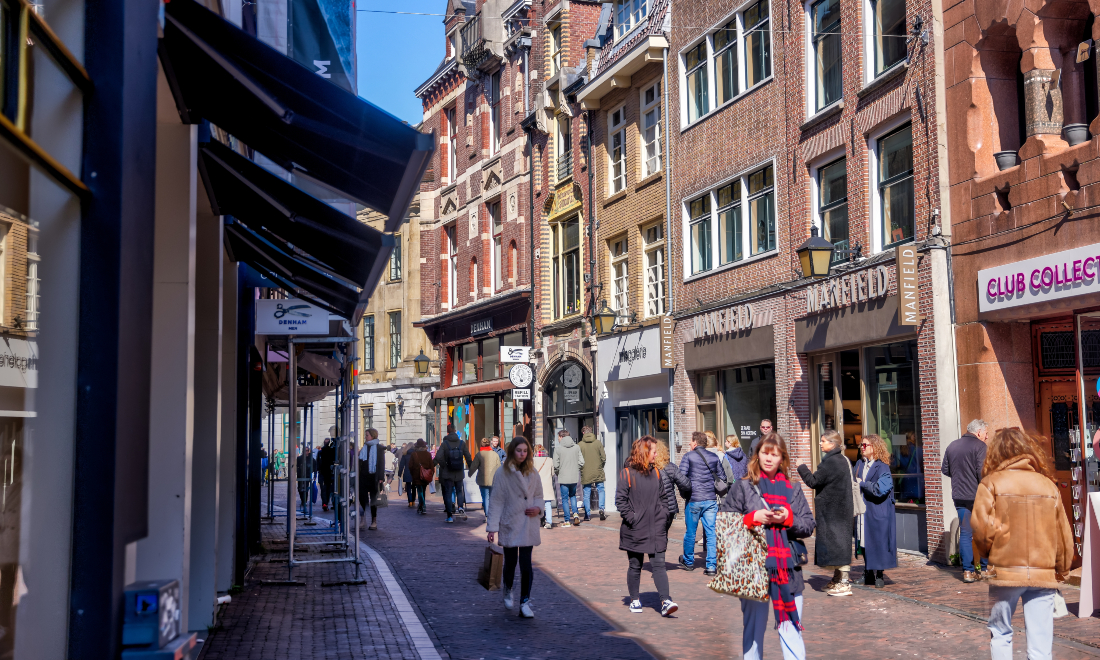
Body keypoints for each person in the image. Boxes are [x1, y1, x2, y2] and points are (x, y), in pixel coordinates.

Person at [972, 428, 1073, 660]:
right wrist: (1062, 570)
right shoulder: (1048, 486)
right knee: (1040, 644)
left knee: (1000, 632)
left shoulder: (990, 484)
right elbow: (1063, 535)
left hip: (1005, 572)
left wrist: (989, 554)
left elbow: (980, 529)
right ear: (1027, 450)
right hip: (1042, 574)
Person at [721, 432, 813, 660]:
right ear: (757, 455)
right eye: (765, 453)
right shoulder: (743, 487)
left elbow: (809, 525)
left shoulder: (793, 488)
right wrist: (752, 518)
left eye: (775, 454)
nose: (769, 459)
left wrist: (788, 520)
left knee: (790, 629)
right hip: (754, 569)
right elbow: (723, 524)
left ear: (782, 458)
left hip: (787, 570)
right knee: (753, 632)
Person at [616, 436, 678, 617]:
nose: (656, 454)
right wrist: (632, 518)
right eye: (654, 451)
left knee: (659, 564)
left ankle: (665, 601)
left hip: (656, 527)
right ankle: (635, 599)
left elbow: (664, 497)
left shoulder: (656, 473)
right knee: (635, 564)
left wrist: (663, 514)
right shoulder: (627, 473)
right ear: (644, 452)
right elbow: (621, 500)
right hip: (635, 529)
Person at [486, 436, 543, 619]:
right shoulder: (502, 473)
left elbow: (540, 495)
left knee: (526, 564)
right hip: (510, 522)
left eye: (525, 451)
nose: (522, 454)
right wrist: (492, 528)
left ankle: (525, 601)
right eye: (519, 451)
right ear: (512, 452)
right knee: (510, 562)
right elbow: (496, 501)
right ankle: (508, 588)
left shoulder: (533, 472)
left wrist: (538, 508)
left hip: (528, 523)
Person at [797, 429, 855, 596]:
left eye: (823, 441)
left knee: (838, 544)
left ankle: (843, 583)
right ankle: (837, 580)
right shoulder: (842, 459)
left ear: (832, 443)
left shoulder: (831, 462)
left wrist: (801, 466)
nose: (821, 443)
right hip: (840, 509)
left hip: (833, 511)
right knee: (838, 542)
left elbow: (812, 481)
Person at [942, 419, 992, 582]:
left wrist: (960, 477)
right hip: (978, 496)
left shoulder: (952, 445)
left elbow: (945, 469)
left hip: (959, 496)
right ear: (978, 432)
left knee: (965, 533)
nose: (987, 436)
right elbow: (982, 472)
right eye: (985, 433)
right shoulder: (980, 447)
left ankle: (968, 572)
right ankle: (984, 569)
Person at [854, 434, 897, 588]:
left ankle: (879, 574)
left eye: (865, 445)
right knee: (864, 541)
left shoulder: (882, 466)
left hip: (878, 509)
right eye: (861, 445)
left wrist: (862, 484)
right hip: (863, 511)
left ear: (875, 447)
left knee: (878, 541)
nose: (862, 448)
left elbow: (881, 489)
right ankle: (868, 573)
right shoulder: (859, 464)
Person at [678, 431, 723, 575]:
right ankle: (711, 566)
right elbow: (723, 477)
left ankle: (689, 562)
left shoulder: (688, 456)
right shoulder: (714, 457)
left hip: (694, 500)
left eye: (691, 441)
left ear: (695, 443)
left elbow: (681, 477)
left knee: (691, 533)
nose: (690, 444)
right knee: (711, 533)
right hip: (710, 500)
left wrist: (686, 493)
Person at [434, 424, 472, 523]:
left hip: (448, 471)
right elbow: (468, 457)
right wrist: (471, 469)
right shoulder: (461, 443)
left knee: (448, 492)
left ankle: (449, 516)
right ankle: (460, 506)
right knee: (459, 490)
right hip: (459, 471)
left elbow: (438, 457)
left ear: (448, 432)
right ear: (455, 431)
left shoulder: (445, 444)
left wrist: (443, 465)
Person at [552, 429, 584, 527]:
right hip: (574, 477)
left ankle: (567, 520)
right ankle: (575, 514)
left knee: (565, 499)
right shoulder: (576, 447)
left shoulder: (558, 449)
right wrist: (575, 469)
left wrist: (558, 472)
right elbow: (582, 462)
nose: (558, 439)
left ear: (561, 437)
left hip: (563, 477)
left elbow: (555, 465)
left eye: (558, 437)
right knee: (573, 495)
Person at [655, 441, 690, 526]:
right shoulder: (671, 466)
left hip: (653, 507)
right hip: (669, 507)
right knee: (663, 534)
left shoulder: (646, 467)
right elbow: (686, 485)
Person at [358, 428, 386, 530]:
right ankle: (362, 519)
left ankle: (374, 521)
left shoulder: (379, 448)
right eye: (365, 435)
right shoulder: (364, 448)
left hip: (373, 477)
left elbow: (381, 464)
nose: (365, 437)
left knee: (374, 500)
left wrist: (381, 478)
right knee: (361, 498)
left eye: (367, 435)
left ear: (373, 436)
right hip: (363, 477)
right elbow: (359, 462)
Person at [578, 425, 607, 521]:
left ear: (583, 433)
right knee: (601, 490)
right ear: (591, 432)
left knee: (586, 493)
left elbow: (578, 460)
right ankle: (601, 508)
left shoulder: (580, 445)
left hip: (586, 471)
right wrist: (600, 466)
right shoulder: (598, 443)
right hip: (598, 470)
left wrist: (581, 468)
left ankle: (587, 514)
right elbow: (603, 458)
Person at [469, 437, 502, 521]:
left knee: (485, 498)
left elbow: (474, 466)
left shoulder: (479, 454)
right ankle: (491, 514)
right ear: (489, 444)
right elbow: (499, 467)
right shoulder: (495, 454)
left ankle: (487, 515)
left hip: (482, 479)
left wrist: (470, 473)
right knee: (491, 497)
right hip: (493, 479)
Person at [408, 439, 434, 515]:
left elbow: (410, 466)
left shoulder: (414, 454)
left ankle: (423, 505)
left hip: (417, 475)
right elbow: (431, 466)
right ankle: (421, 505)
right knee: (423, 490)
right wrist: (430, 474)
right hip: (426, 475)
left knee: (419, 491)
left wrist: (413, 474)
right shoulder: (428, 454)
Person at [533, 444, 555, 528]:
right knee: (548, 504)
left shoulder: (533, 460)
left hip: (537, 484)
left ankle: (538, 520)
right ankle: (549, 521)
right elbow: (552, 473)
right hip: (547, 484)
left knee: (537, 503)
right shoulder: (549, 460)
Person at [317, 436, 336, 511]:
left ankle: (325, 503)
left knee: (325, 489)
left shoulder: (323, 452)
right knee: (326, 489)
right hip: (325, 473)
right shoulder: (322, 452)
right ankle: (325, 503)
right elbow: (318, 462)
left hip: (327, 473)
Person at [295, 445, 315, 512]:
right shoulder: (299, 458)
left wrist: (314, 474)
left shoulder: (311, 459)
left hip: (307, 475)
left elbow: (315, 466)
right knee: (300, 488)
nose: (305, 452)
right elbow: (296, 466)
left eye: (306, 451)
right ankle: (302, 499)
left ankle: (304, 501)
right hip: (300, 476)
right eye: (304, 451)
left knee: (306, 488)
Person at [398, 442, 416, 507]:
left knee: (408, 487)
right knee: (414, 487)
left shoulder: (405, 455)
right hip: (414, 473)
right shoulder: (415, 454)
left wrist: (399, 474)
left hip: (407, 472)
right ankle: (413, 501)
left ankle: (410, 501)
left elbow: (401, 465)